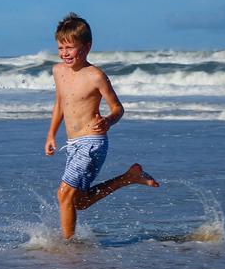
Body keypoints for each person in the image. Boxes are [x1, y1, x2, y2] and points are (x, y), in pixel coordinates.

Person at [44, 13, 159, 240]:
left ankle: (68, 249)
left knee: (64, 195)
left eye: (70, 47)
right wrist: (51, 135)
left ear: (87, 47)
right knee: (80, 201)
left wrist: (108, 121)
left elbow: (118, 109)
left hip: (92, 142)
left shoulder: (95, 76)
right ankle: (128, 178)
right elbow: (60, 103)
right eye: (61, 47)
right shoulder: (58, 71)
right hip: (73, 143)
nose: (65, 53)